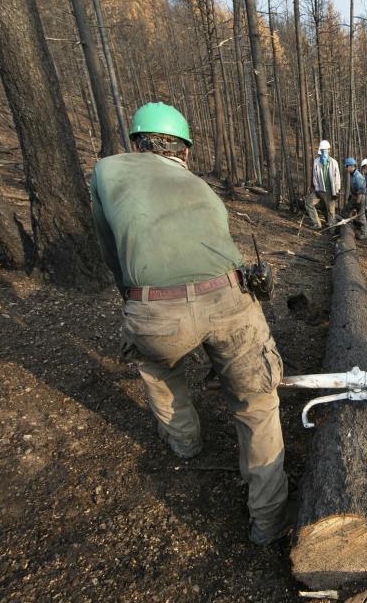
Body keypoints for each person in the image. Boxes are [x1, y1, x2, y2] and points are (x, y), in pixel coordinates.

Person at [90, 102, 290, 545]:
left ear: (138, 142)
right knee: (258, 406)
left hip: (154, 309)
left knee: (160, 371)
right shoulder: (200, 186)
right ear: (183, 149)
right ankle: (269, 520)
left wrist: (135, 299)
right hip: (228, 300)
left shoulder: (106, 172)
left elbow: (110, 249)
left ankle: (186, 444)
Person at [305, 140, 340, 229]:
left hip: (330, 190)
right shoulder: (316, 162)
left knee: (331, 211)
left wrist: (337, 190)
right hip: (319, 190)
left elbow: (337, 177)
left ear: (329, 150)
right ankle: (317, 224)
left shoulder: (333, 162)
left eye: (326, 150)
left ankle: (332, 229)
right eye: (323, 150)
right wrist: (316, 187)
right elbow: (314, 176)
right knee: (308, 203)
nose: (324, 152)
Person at [343, 157, 367, 236]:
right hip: (355, 196)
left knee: (361, 215)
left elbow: (361, 191)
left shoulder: (358, 176)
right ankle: (347, 225)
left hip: (361, 197)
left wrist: (357, 203)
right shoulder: (352, 174)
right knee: (347, 209)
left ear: (350, 167)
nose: (346, 168)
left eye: (347, 166)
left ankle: (363, 233)